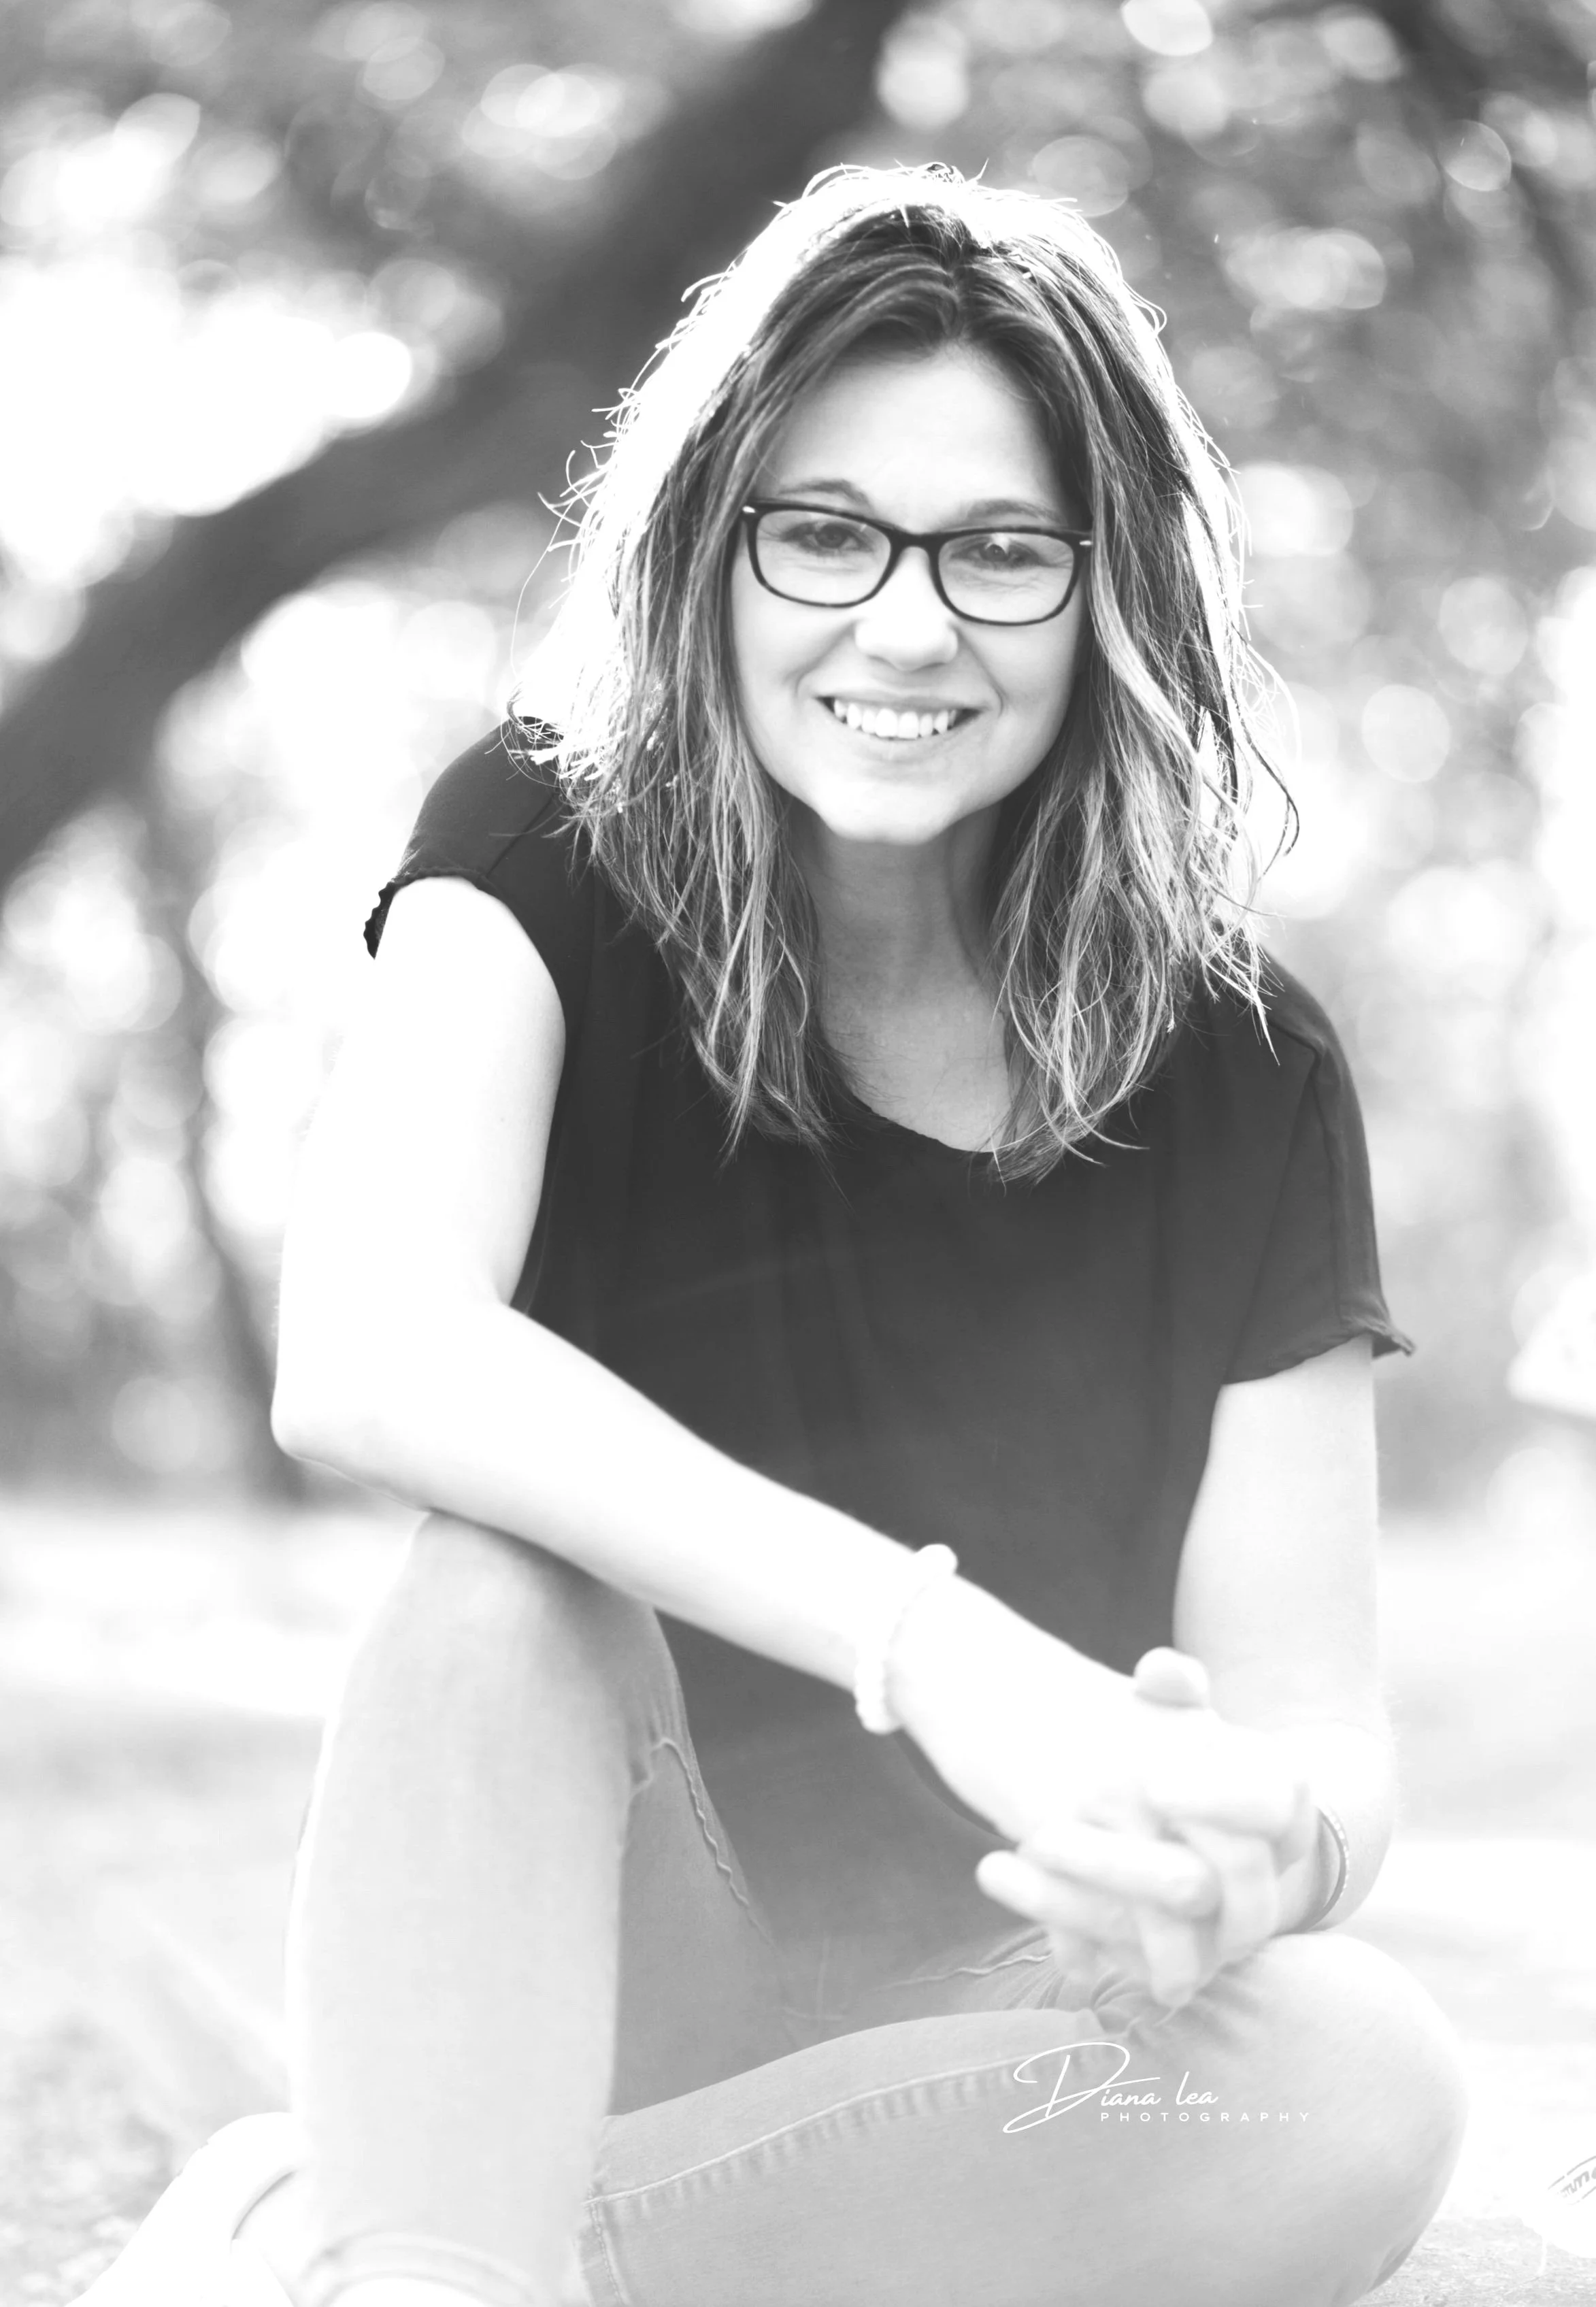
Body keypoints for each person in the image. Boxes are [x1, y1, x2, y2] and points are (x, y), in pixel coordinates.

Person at [80, 165, 1467, 2307]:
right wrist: (950, 1654)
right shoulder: (537, 849)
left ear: (1114, 597)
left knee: (1363, 2075)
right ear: (710, 544)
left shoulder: (1247, 1062)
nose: (904, 626)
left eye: (1002, 552)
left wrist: (1250, 1843)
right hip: (606, 1934)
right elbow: (367, 1347)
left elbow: (1319, 1725)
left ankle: (360, 2249)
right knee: (497, 1582)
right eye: (824, 531)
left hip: (998, 2015)